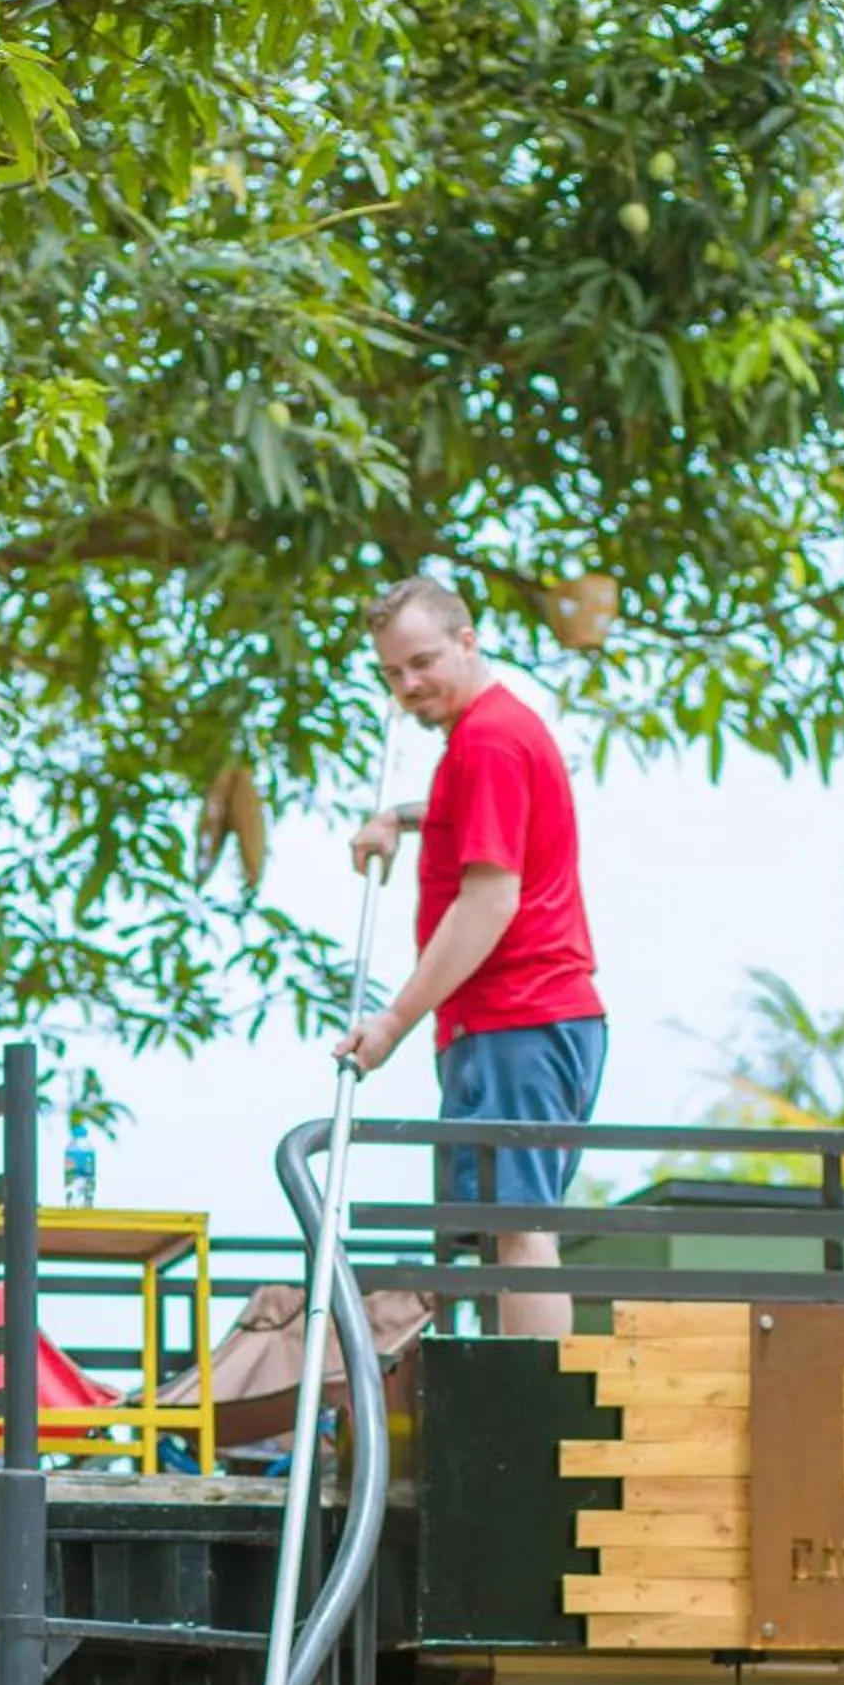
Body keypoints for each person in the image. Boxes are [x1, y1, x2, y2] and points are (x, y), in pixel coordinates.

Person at [335, 574, 606, 1341]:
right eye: (392, 673)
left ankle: (533, 1428)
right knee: (498, 1231)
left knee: (518, 1230)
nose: (409, 684)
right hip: (509, 1023)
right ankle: (513, 1412)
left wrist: (390, 1021)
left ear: (467, 640)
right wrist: (401, 817)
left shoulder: (488, 739)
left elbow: (490, 901)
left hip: (520, 1018)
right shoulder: (486, 737)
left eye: (422, 662)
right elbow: (479, 815)